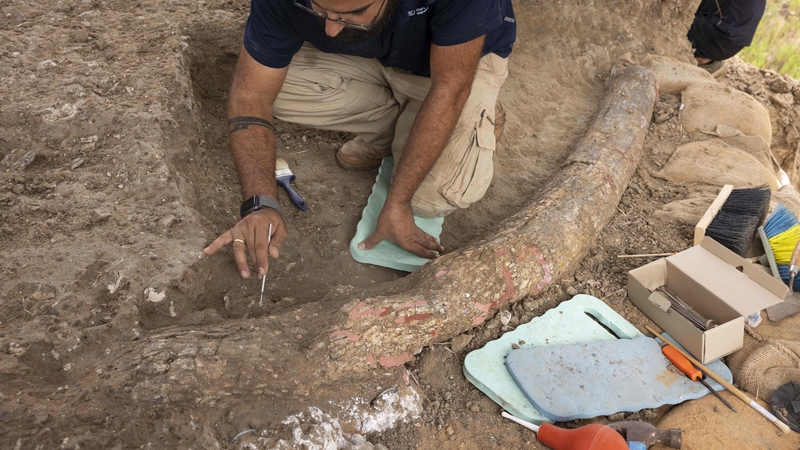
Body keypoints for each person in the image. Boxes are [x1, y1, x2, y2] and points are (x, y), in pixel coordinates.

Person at [203, 0, 516, 280]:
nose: (331, 28)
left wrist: (398, 202)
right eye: (319, 9)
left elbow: (450, 88)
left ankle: (478, 113)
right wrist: (260, 202)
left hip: (453, 65)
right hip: (373, 55)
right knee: (276, 90)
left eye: (351, 13)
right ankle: (402, 125)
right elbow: (250, 96)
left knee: (429, 199)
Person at [687, 0, 765, 76]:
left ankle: (703, 59)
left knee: (677, 22)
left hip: (717, 37)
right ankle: (705, 61)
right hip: (732, 42)